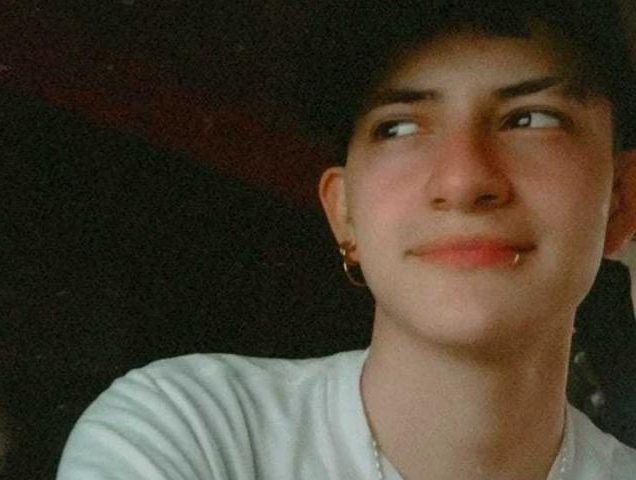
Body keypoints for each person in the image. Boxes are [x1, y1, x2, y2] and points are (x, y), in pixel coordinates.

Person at [57, 1, 636, 478]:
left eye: (531, 119)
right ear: (343, 214)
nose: (463, 182)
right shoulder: (191, 432)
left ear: (622, 199)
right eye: (398, 127)